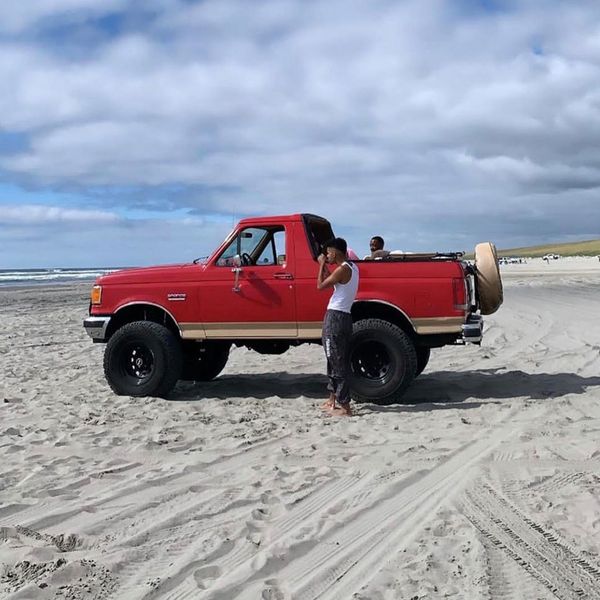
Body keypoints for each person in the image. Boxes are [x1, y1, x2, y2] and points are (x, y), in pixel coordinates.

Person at [317, 237, 359, 417]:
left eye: (328, 252)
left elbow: (320, 286)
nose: (327, 255)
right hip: (345, 317)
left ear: (335, 251)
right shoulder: (352, 267)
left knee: (335, 360)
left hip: (335, 317)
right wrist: (326, 266)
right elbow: (333, 280)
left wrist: (320, 265)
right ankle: (332, 398)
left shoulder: (342, 269)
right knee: (333, 357)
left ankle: (345, 406)